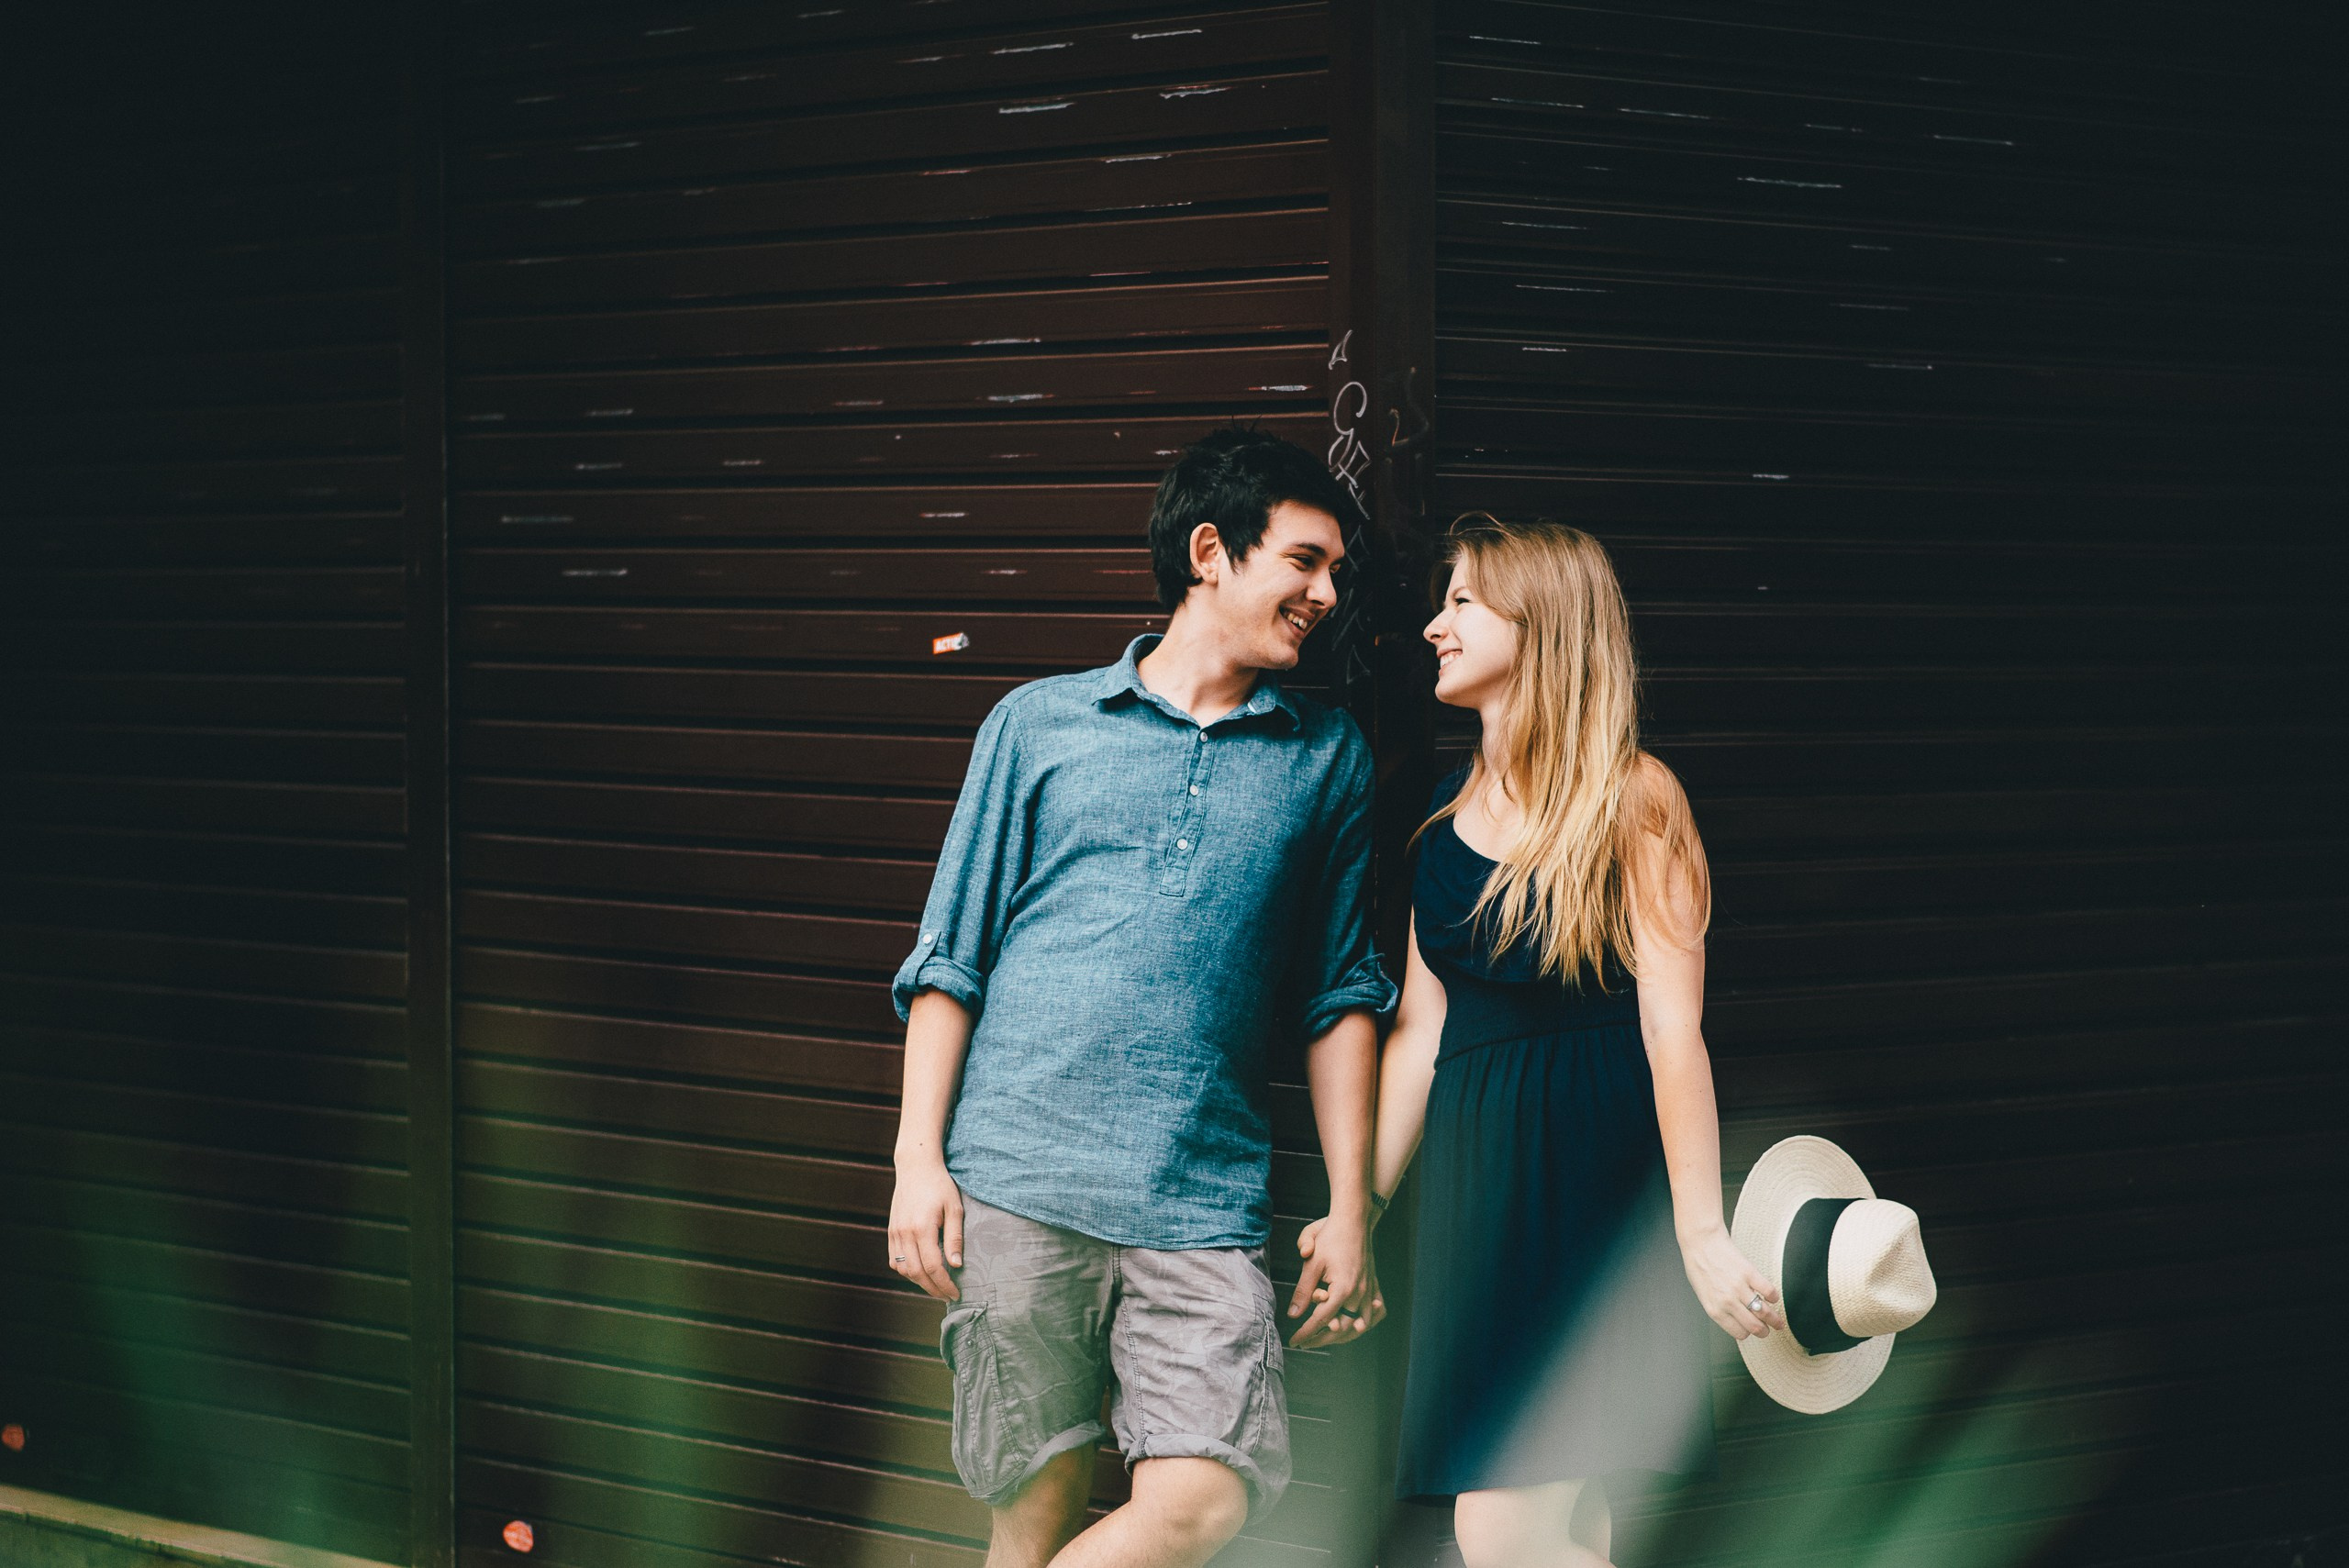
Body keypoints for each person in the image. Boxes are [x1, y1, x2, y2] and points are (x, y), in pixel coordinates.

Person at [886, 428, 1397, 1568]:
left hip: (1199, 1204)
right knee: (1029, 1507)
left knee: (1204, 1499)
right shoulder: (1037, 725)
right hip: (1019, 1177)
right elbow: (947, 959)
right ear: (1211, 551)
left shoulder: (1327, 757)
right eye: (1305, 561)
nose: (1326, 594)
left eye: (1335, 573)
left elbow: (1341, 994)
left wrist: (1352, 1204)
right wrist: (918, 1156)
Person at [1298, 517, 1784, 1568]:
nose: (1434, 624)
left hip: (1587, 1178)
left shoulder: (1633, 797)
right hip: (1476, 1200)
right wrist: (1358, 1210)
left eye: (1463, 600)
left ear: (1545, 622)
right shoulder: (1440, 815)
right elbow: (1422, 1030)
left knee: (1499, 1524)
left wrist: (1700, 1232)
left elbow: (1672, 1030)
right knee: (1566, 1521)